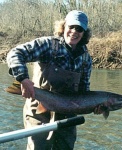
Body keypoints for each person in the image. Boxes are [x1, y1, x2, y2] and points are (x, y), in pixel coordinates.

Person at [7, 10, 92, 150]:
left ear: (84, 33)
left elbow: (84, 92)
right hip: (39, 111)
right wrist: (23, 78)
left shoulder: (85, 59)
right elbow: (15, 53)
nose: (74, 31)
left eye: (79, 29)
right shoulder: (48, 45)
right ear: (64, 26)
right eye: (71, 26)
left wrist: (94, 106)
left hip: (67, 116)